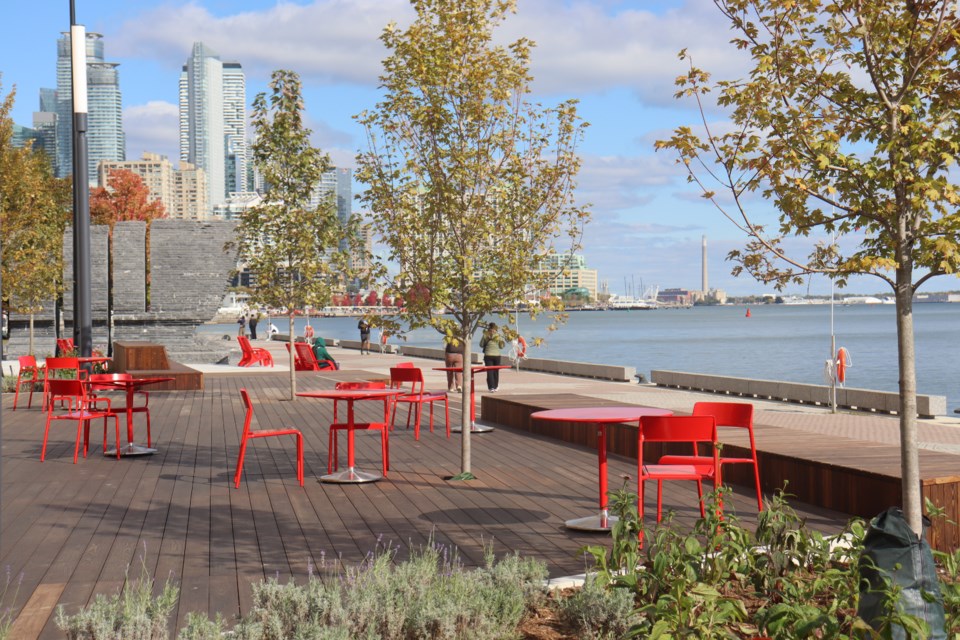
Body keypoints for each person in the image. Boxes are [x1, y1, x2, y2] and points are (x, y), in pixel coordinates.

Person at [479, 322, 505, 392]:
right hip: (497, 355)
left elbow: (481, 345)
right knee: (496, 371)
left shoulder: (485, 335)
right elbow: (501, 346)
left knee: (489, 371)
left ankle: (491, 387)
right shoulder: (498, 336)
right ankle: (496, 386)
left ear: (488, 328)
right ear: (496, 329)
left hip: (488, 355)